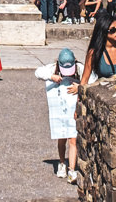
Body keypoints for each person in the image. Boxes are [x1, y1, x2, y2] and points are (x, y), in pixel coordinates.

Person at [34, 48, 81, 182]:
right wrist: (51, 76)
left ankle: (72, 169)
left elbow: (92, 79)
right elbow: (38, 72)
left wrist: (80, 87)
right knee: (62, 137)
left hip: (73, 110)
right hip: (60, 110)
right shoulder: (51, 68)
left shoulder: (80, 68)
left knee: (73, 138)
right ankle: (62, 162)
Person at [82, 10, 116, 85]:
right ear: (104, 31)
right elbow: (84, 80)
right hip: (102, 92)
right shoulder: (93, 53)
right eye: (113, 30)